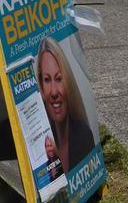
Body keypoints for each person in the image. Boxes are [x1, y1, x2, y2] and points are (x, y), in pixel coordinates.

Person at [36, 37, 94, 174]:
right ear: (41, 86)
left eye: (58, 78)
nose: (54, 92)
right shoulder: (40, 142)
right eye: (47, 80)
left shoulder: (83, 136)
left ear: (67, 82)